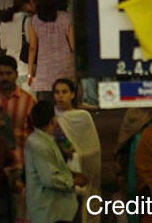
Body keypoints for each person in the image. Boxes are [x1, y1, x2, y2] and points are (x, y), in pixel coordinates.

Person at [24, 100, 86, 223]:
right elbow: (49, 178)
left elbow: (53, 166)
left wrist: (71, 173)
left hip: (53, 211)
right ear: (53, 120)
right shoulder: (40, 145)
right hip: (49, 212)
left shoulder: (44, 140)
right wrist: (73, 181)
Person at [52, 78, 101, 223]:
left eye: (64, 92)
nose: (60, 96)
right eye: (57, 92)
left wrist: (77, 159)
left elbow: (92, 149)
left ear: (72, 94)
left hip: (80, 174)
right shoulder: (50, 117)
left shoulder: (82, 117)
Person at [27, 0, 74, 99]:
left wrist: (30, 73)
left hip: (44, 70)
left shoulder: (35, 19)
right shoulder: (67, 18)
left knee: (45, 105)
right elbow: (73, 46)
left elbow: (33, 48)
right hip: (65, 68)